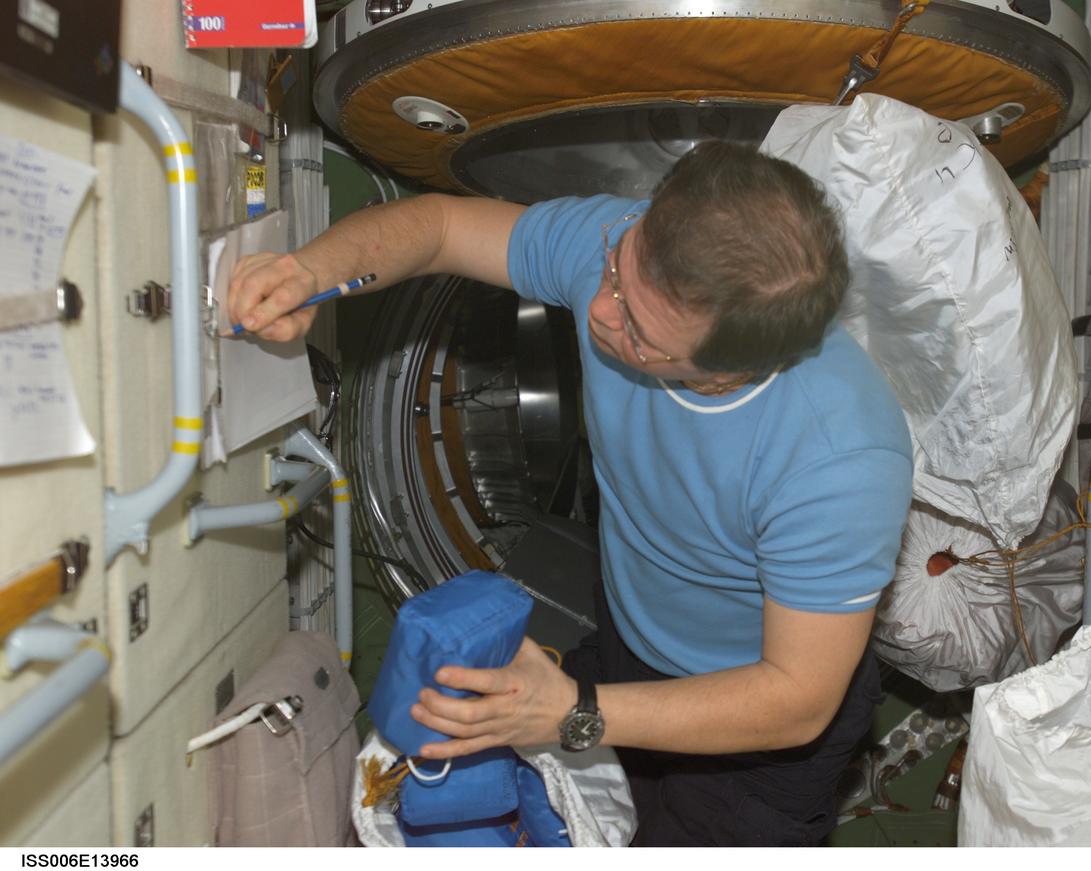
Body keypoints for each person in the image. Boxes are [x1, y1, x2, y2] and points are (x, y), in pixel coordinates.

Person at [228, 141, 913, 846]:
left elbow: (798, 698)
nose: (597, 311)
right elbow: (440, 227)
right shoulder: (624, 245)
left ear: (728, 372)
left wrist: (576, 711)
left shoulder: (841, 456)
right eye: (618, 272)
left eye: (641, 336)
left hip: (756, 728)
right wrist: (311, 271)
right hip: (630, 638)